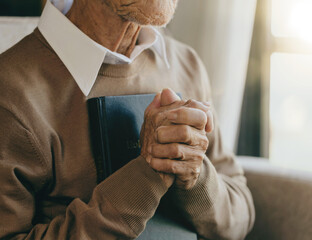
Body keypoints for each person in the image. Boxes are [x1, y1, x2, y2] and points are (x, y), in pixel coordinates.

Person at [0, 0, 255, 239]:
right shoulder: (11, 92)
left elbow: (239, 216)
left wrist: (194, 175)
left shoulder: (187, 64)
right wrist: (146, 177)